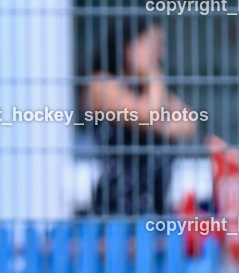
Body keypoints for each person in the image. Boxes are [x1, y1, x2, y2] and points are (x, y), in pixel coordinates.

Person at [83, 17, 197, 215]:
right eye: (153, 45)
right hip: (115, 209)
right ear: (129, 47)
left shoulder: (150, 91)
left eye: (161, 46)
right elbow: (148, 115)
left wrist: (153, 118)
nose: (159, 54)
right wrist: (154, 78)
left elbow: (188, 123)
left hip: (156, 207)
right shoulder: (101, 84)